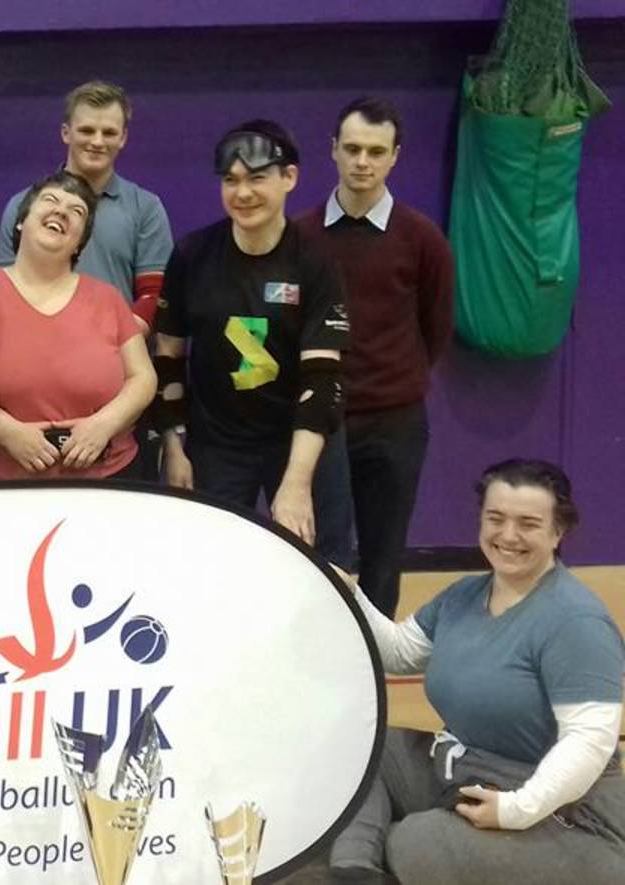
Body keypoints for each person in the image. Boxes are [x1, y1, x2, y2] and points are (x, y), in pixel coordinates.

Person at [330, 459, 625, 883]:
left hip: (566, 810)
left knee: (417, 841)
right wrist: (349, 593)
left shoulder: (577, 622)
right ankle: (353, 870)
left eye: (528, 523)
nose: (508, 535)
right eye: (496, 519)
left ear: (558, 532)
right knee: (367, 744)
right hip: (469, 771)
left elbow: (590, 741)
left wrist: (517, 810)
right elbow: (399, 653)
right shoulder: (464, 595)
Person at [153, 120, 351, 561]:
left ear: (290, 178)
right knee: (212, 564)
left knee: (329, 570)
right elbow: (168, 357)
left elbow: (322, 379)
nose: (242, 193)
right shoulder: (193, 254)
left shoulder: (316, 261)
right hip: (218, 441)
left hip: (298, 437)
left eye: (257, 178)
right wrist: (173, 444)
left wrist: (297, 482)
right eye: (231, 180)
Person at [298, 97, 454, 618]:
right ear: (334, 152)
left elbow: (436, 327)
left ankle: (374, 673)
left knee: (384, 558)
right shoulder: (300, 236)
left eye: (376, 151)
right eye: (353, 149)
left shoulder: (422, 239)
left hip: (396, 423)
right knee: (320, 556)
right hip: (320, 423)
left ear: (394, 157)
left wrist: (395, 380)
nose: (363, 161)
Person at [0, 170, 155, 480]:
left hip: (105, 481)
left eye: (77, 211)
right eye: (50, 200)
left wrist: (104, 425)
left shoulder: (108, 299)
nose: (61, 210)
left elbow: (143, 378)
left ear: (79, 243)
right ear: (21, 222)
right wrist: (6, 432)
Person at [0, 80, 173, 325]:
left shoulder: (146, 208)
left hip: (116, 356)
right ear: (66, 133)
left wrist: (106, 343)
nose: (97, 142)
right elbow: (5, 290)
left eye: (109, 133)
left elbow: (155, 296)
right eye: (87, 130)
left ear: (123, 138)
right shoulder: (22, 206)